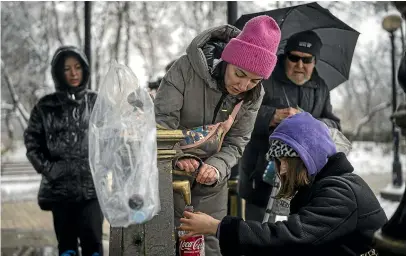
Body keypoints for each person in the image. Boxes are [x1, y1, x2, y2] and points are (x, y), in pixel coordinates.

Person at [154, 16, 281, 255]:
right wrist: (178, 156)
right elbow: (161, 122)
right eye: (239, 74)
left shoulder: (254, 95)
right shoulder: (185, 69)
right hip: (169, 173)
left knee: (212, 243)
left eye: (255, 80)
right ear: (228, 59)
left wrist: (217, 166)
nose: (244, 86)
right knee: (169, 241)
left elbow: (237, 142)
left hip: (212, 183)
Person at [178, 112, 387, 256]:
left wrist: (218, 227)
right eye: (277, 162)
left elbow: (290, 239)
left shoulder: (340, 192)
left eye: (286, 161)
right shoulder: (327, 186)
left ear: (308, 157)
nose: (282, 170)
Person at [239, 30, 342, 221]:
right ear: (285, 56)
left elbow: (335, 124)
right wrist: (271, 115)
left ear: (315, 61)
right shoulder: (262, 78)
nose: (300, 65)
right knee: (256, 232)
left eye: (307, 60)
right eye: (294, 58)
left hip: (304, 177)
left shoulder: (321, 87)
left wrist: (309, 121)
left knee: (299, 232)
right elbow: (240, 113)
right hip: (261, 172)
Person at [24, 46, 103, 256]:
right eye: (67, 68)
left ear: (85, 70)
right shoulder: (45, 106)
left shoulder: (96, 102)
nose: (73, 73)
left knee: (94, 245)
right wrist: (51, 170)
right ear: (58, 72)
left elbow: (111, 140)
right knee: (67, 248)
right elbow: (32, 144)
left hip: (91, 191)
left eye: (77, 67)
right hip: (60, 193)